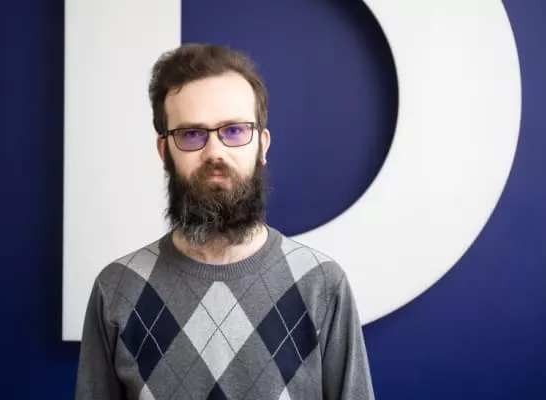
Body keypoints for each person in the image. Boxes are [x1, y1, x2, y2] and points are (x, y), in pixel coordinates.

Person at [75, 43, 375, 400]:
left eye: (234, 131)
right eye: (191, 134)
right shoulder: (117, 288)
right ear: (164, 152)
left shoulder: (322, 285)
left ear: (262, 145)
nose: (214, 152)